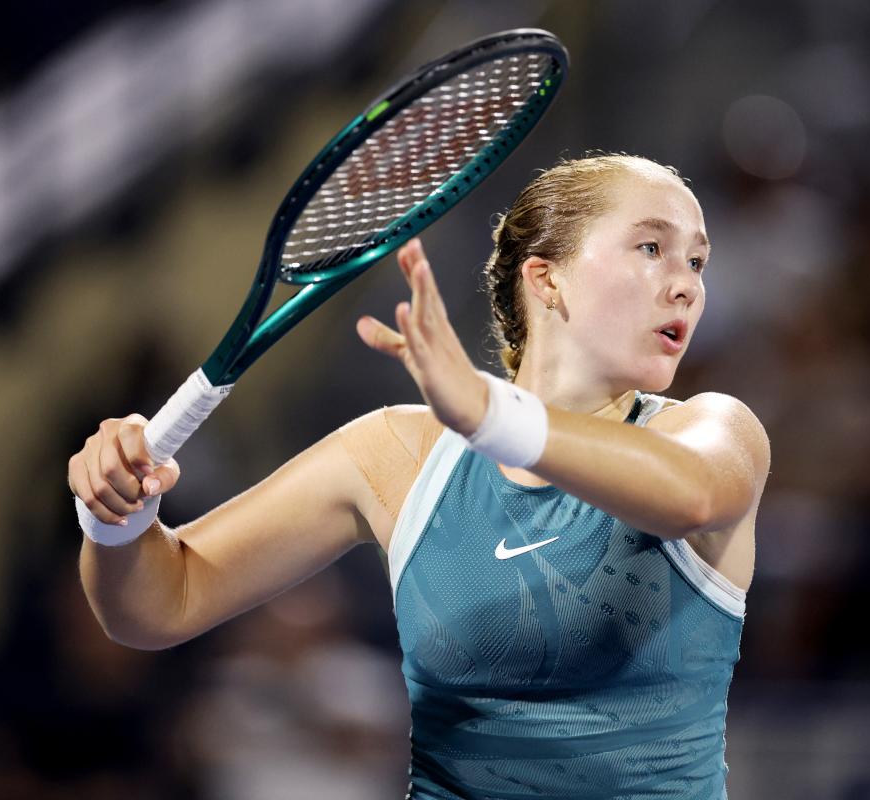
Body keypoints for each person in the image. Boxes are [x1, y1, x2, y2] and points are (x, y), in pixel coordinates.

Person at [68, 153, 771, 799]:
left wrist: (492, 416)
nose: (686, 286)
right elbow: (159, 605)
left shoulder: (714, 429)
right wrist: (117, 516)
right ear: (547, 277)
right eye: (651, 248)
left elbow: (693, 494)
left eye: (697, 262)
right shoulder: (399, 455)